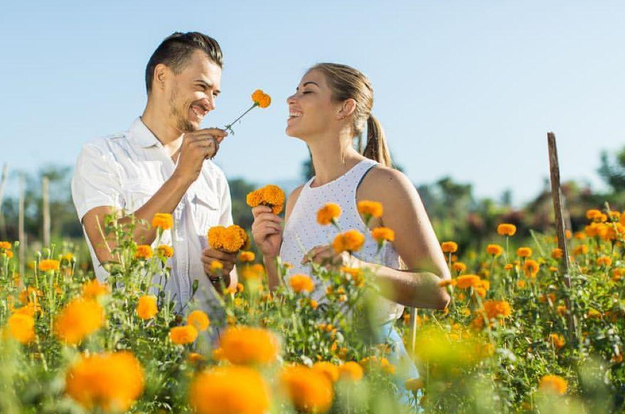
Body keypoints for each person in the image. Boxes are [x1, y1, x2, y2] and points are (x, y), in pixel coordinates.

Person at [251, 62, 451, 389]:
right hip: (307, 369)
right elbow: (283, 308)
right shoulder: (297, 197)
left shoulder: (384, 183)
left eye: (307, 91)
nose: (291, 98)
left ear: (345, 108)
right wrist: (271, 257)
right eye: (296, 90)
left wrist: (358, 270)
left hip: (374, 370)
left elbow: (441, 291)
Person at [71, 32, 238, 312]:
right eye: (202, 87)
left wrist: (222, 271)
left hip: (209, 350)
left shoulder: (214, 177)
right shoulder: (102, 156)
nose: (211, 103)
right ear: (162, 76)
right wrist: (182, 177)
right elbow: (111, 251)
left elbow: (229, 286)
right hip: (140, 350)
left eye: (215, 93)